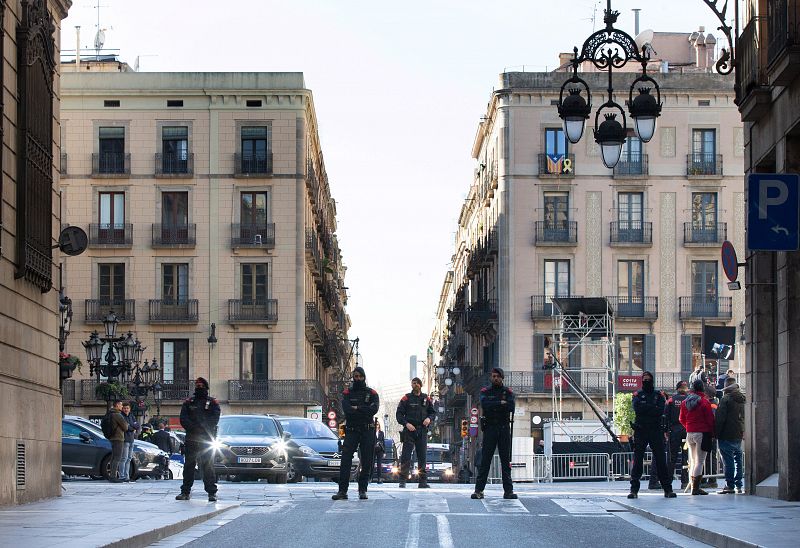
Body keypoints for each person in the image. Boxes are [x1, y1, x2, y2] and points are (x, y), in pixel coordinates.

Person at [332, 367, 380, 501]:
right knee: (345, 460)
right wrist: (363, 410)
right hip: (352, 430)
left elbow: (373, 410)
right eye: (355, 376)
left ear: (364, 377)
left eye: (360, 376)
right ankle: (342, 491)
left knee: (367, 461)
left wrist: (357, 408)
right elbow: (346, 409)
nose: (357, 378)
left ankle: (363, 490)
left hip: (367, 430)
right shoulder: (348, 392)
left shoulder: (372, 393)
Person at [627, 371, 677, 499]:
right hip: (641, 430)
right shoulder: (638, 394)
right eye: (644, 379)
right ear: (641, 381)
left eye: (648, 379)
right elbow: (638, 409)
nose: (646, 381)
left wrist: (647, 409)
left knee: (661, 460)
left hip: (655, 430)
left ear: (652, 380)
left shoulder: (658, 395)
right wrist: (651, 409)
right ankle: (634, 490)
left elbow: (660, 410)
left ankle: (667, 489)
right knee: (637, 461)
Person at [472, 367, 517, 500]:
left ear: (502, 378)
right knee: (485, 460)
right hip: (490, 428)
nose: (495, 378)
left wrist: (496, 404)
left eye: (497, 376)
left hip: (503, 428)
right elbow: (485, 404)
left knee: (505, 460)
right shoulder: (485, 391)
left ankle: (508, 491)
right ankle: (479, 490)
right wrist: (500, 403)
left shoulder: (508, 392)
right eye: (493, 376)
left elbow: (511, 406)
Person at [176, 377, 221, 502]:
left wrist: (203, 428)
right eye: (197, 385)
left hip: (207, 439)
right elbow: (183, 419)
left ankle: (211, 492)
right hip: (192, 438)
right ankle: (185, 492)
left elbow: (214, 419)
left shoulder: (212, 403)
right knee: (189, 466)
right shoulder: (188, 402)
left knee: (208, 466)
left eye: (201, 385)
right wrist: (194, 428)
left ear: (206, 387)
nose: (199, 387)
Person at [395, 377, 436, 488]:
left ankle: (422, 481)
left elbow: (432, 412)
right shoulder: (406, 398)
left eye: (417, 383)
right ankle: (402, 480)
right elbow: (399, 414)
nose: (415, 385)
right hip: (409, 430)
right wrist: (406, 424)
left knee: (422, 456)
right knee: (406, 456)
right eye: (413, 383)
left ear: (420, 385)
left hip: (422, 430)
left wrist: (429, 419)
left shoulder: (426, 398)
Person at [679, 379, 716, 495]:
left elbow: (681, 418)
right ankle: (696, 488)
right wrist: (712, 433)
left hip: (689, 433)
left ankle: (693, 486)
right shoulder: (704, 402)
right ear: (702, 389)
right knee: (700, 462)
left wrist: (688, 427)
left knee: (693, 461)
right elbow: (710, 420)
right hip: (702, 433)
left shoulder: (685, 402)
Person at [715, 377, 745, 494]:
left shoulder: (725, 399)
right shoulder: (742, 398)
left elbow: (720, 419)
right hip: (739, 433)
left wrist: (716, 433)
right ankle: (739, 484)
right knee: (738, 459)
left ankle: (730, 485)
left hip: (726, 434)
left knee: (728, 461)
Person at [665, 380, 690, 490]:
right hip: (687, 430)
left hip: (674, 430)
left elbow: (665, 416)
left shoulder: (671, 400)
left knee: (672, 457)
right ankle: (685, 482)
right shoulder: (690, 399)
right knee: (686, 457)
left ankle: (668, 481)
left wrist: (665, 430)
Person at [106, 400, 128, 483]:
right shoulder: (117, 415)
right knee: (117, 457)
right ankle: (113, 476)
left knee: (113, 457)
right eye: (121, 405)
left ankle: (112, 475)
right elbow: (125, 427)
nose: (122, 407)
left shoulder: (110, 413)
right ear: (117, 405)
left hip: (112, 437)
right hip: (118, 438)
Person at [119, 402, 140, 482]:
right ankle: (122, 476)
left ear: (129, 409)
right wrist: (132, 427)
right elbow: (126, 428)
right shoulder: (121, 416)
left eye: (127, 408)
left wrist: (131, 427)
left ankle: (127, 476)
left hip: (131, 440)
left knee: (129, 458)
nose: (126, 410)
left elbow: (137, 426)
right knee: (123, 458)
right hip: (125, 440)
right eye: (124, 408)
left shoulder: (132, 416)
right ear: (122, 409)